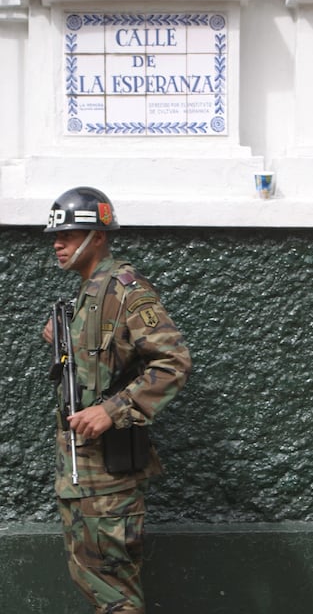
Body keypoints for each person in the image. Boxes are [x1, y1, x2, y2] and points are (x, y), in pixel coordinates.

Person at [42, 187, 192, 614]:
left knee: (114, 591)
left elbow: (172, 363)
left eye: (70, 234)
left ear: (100, 236)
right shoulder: (89, 294)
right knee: (92, 577)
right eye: (57, 235)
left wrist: (112, 411)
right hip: (82, 471)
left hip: (110, 473)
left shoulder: (126, 290)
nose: (58, 243)